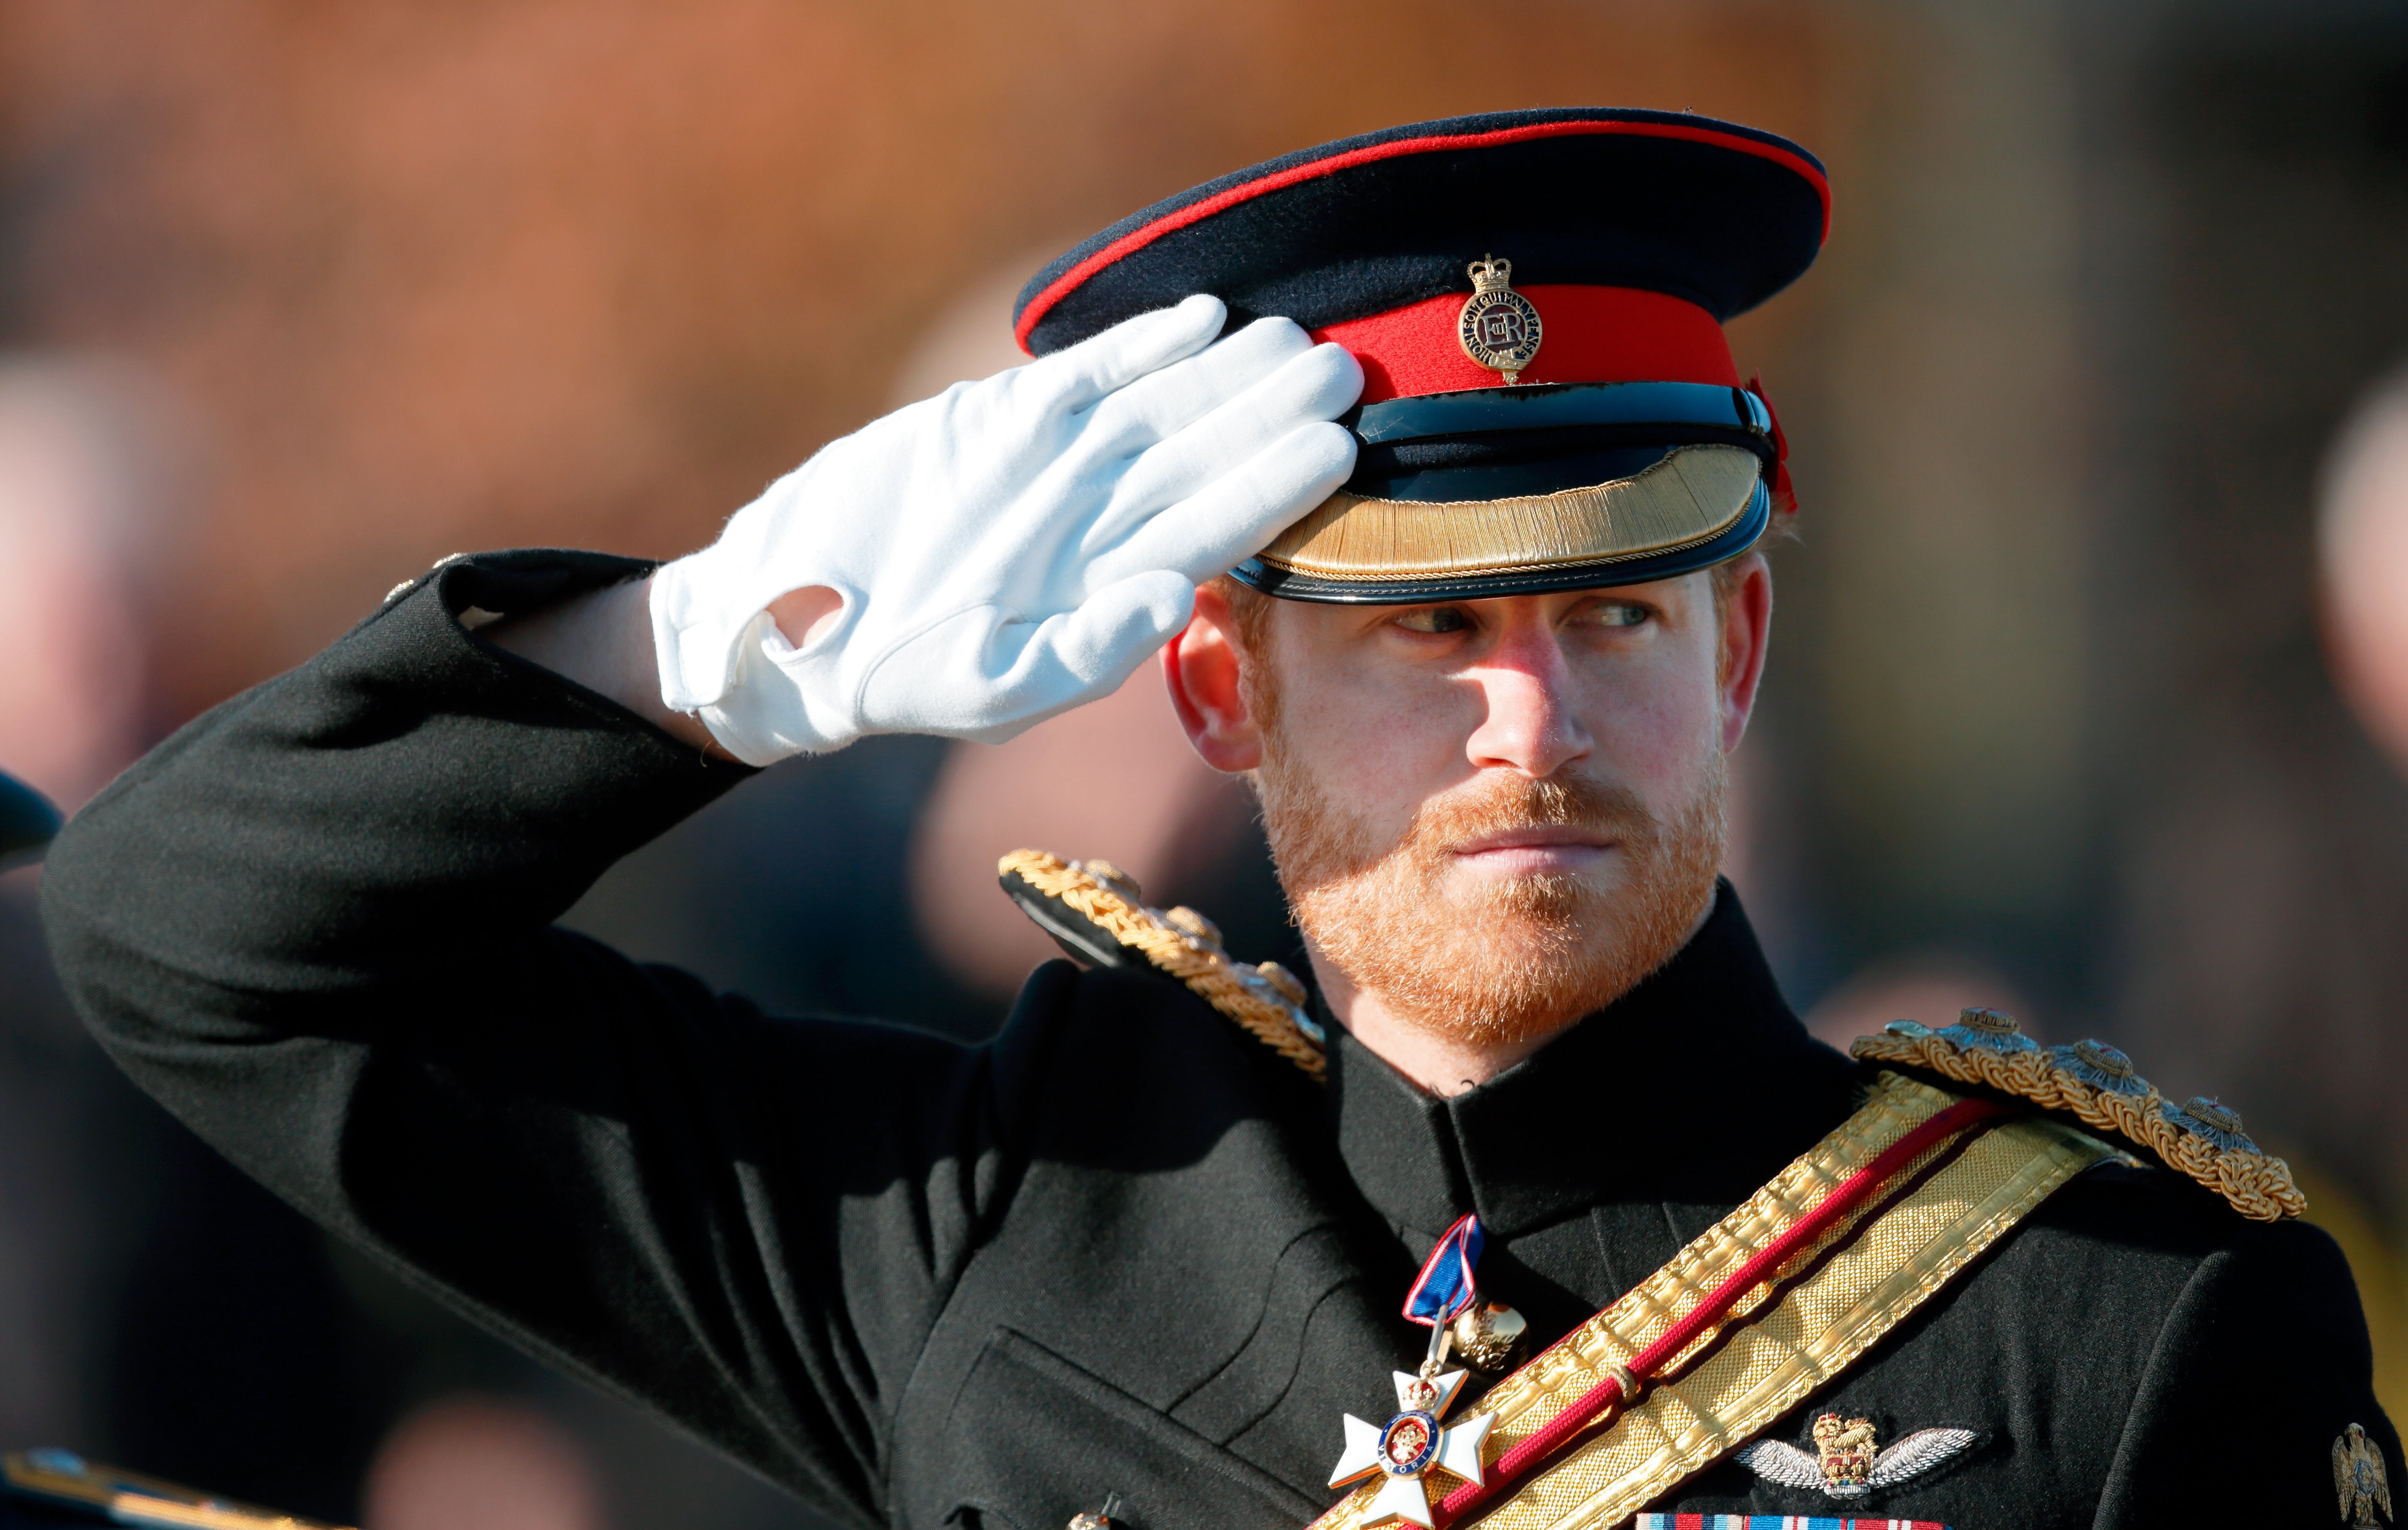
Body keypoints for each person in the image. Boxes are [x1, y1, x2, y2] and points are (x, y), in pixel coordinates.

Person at [40, 109, 2392, 1530]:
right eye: (1412, 636)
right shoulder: (1009, 1231)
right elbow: (183, 937)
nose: (1529, 716)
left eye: (1615, 620)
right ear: (1212, 684)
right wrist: (705, 652)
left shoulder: (2123, 1317)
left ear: (1738, 656)